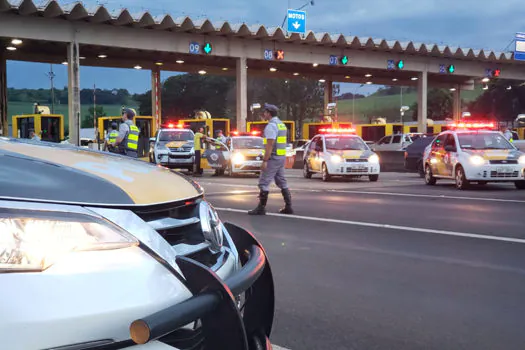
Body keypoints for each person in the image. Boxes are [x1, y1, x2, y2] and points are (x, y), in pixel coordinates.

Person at [248, 103, 293, 215]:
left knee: (264, 182)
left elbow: (270, 144)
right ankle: (288, 207)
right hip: (281, 157)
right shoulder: (281, 124)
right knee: (282, 181)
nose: (263, 114)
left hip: (272, 158)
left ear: (268, 113)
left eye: (265, 112)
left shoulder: (271, 126)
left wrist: (265, 161)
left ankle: (261, 208)